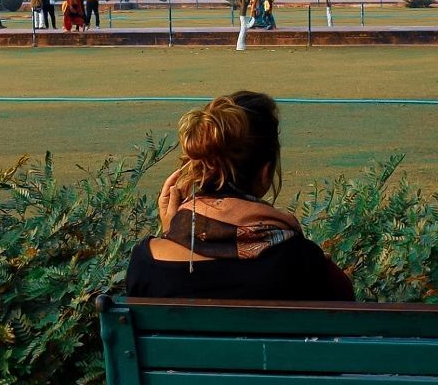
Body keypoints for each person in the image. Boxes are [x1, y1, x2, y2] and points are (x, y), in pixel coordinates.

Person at [124, 92, 353, 301]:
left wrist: (174, 232)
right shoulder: (299, 261)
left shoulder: (146, 264)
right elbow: (345, 305)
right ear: (265, 172)